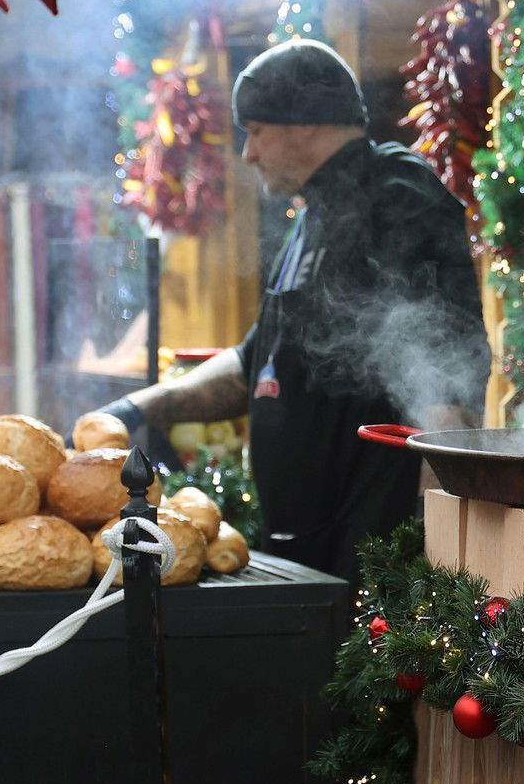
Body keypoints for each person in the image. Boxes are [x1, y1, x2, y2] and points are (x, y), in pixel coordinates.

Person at [90, 39, 489, 587]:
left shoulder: (396, 193)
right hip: (305, 548)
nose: (248, 153)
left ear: (305, 123)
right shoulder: (311, 220)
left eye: (255, 130)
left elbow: (448, 362)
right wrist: (135, 409)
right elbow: (254, 364)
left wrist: (431, 529)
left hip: (372, 551)